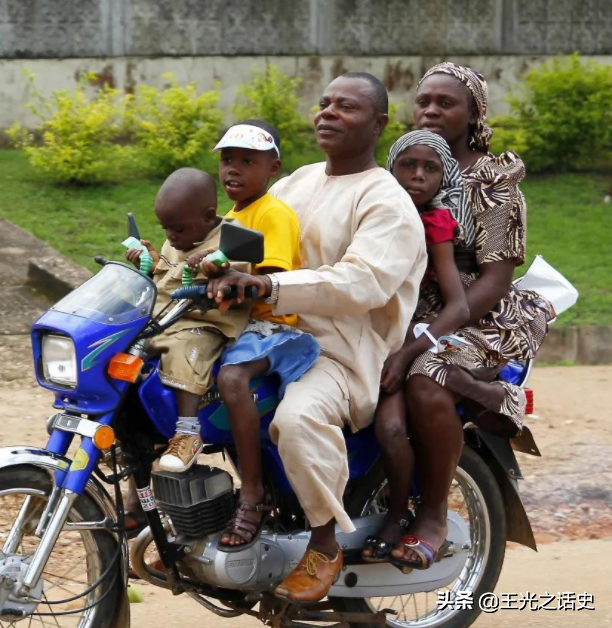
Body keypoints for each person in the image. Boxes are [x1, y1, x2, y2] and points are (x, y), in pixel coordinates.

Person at [206, 72, 427, 602]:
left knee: (298, 419)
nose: (327, 113)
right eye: (325, 103)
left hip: (339, 355)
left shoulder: (386, 203)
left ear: (378, 125)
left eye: (345, 107)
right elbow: (244, 236)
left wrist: (269, 285)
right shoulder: (296, 182)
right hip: (267, 336)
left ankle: (324, 541)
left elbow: (360, 282)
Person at [389, 62, 554, 570]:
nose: (432, 111)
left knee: (424, 375)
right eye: (424, 102)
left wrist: (426, 338)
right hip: (410, 308)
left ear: (474, 112)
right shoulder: (405, 169)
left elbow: (494, 280)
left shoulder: (494, 183)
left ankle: (435, 514)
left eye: (446, 102)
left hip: (481, 316)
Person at [189, 120, 320, 550]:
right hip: (239, 325)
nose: (234, 170)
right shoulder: (231, 215)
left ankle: (252, 493)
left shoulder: (272, 212)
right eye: (228, 160)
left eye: (248, 161)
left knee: (231, 379)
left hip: (274, 328)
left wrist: (229, 273)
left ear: (273, 168)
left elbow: (276, 276)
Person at [361, 130, 473, 563]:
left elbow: (458, 306)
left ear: (444, 178)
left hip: (408, 336)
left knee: (390, 428)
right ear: (391, 168)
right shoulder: (370, 209)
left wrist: (406, 354)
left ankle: (398, 513)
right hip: (363, 330)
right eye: (408, 164)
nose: (418, 176)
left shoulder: (435, 224)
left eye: (431, 168)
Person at [124, 167, 251, 473]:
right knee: (123, 348)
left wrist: (214, 264)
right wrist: (150, 261)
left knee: (185, 350)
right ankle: (127, 434)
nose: (170, 236)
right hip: (167, 319)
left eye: (177, 229)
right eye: (165, 228)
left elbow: (237, 269)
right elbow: (168, 274)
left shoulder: (232, 236)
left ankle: (188, 432)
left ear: (208, 217)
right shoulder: (176, 240)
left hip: (207, 323)